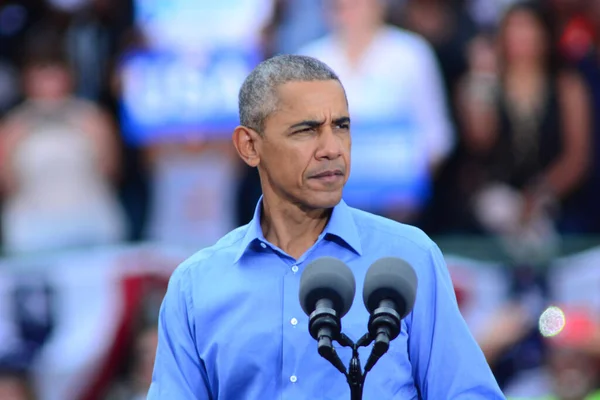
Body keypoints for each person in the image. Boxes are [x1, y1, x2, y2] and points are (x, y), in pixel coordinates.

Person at [148, 55, 505, 399]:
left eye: (341, 126)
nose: (332, 148)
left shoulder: (410, 258)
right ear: (249, 146)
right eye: (307, 130)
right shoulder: (195, 285)